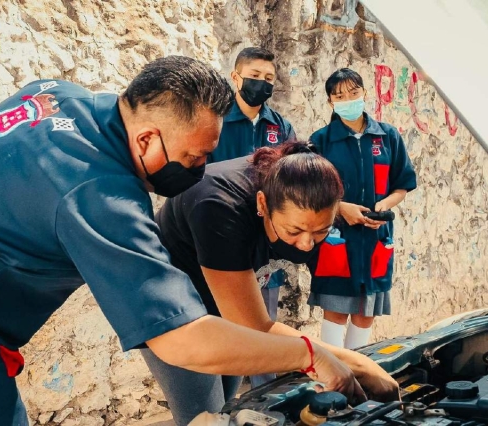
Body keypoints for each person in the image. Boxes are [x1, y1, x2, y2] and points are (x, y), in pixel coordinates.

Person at [0, 57, 362, 426]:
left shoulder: (54, 93)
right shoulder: (100, 196)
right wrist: (308, 353)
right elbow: (181, 341)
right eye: (194, 156)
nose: (200, 170)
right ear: (146, 137)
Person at [147, 142, 401, 426]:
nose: (306, 244)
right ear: (262, 204)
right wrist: (355, 362)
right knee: (208, 417)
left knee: (231, 404)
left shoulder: (296, 176)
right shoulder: (217, 206)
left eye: (320, 231)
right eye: (294, 231)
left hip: (223, 295)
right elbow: (253, 327)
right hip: (169, 305)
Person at [307, 68, 417, 350]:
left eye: (354, 93)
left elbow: (402, 185)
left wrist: (384, 206)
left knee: (366, 312)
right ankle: (331, 371)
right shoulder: (320, 141)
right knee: (335, 309)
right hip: (336, 235)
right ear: (331, 102)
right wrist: (341, 208)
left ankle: (358, 369)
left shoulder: (388, 136)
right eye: (339, 95)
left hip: (376, 237)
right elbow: (310, 189)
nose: (348, 99)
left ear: (365, 93)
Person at [208, 47, 297, 388]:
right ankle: (220, 401)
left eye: (269, 78)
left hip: (263, 238)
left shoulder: (279, 126)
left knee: (264, 322)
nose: (262, 84)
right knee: (222, 322)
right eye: (255, 76)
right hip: (220, 232)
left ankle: (267, 396)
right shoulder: (215, 118)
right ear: (236, 77)